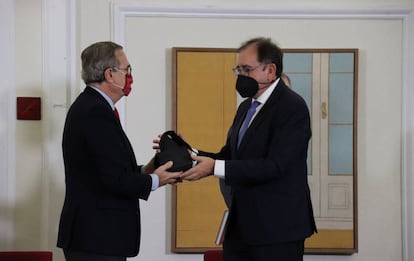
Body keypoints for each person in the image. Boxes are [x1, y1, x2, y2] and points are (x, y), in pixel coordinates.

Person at [180, 37, 317, 261]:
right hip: (241, 228)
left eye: (246, 69)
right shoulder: (246, 107)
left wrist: (214, 167)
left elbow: (274, 166)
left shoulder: (292, 107)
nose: (240, 76)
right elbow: (230, 156)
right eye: (238, 69)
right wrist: (193, 154)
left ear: (270, 70)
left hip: (277, 231)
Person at [57, 41, 181, 261]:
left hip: (97, 238)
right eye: (127, 70)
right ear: (110, 74)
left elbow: (109, 170)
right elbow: (114, 180)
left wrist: (153, 165)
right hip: (96, 239)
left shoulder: (94, 107)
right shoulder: (95, 111)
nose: (130, 76)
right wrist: (155, 180)